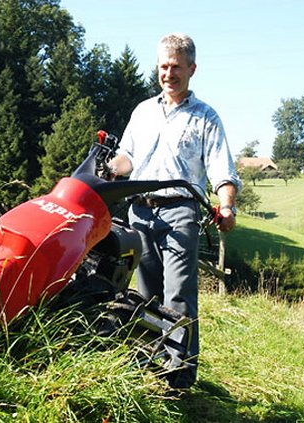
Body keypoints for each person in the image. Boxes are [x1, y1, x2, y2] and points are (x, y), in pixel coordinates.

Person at [108, 33, 241, 389]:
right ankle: (150, 364)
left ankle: (179, 375)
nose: (169, 73)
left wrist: (226, 207)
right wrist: (109, 168)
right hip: (139, 211)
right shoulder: (142, 111)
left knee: (178, 293)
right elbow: (128, 157)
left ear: (192, 69)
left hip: (180, 212)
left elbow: (221, 170)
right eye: (164, 66)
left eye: (177, 67)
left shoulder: (205, 118)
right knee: (145, 293)